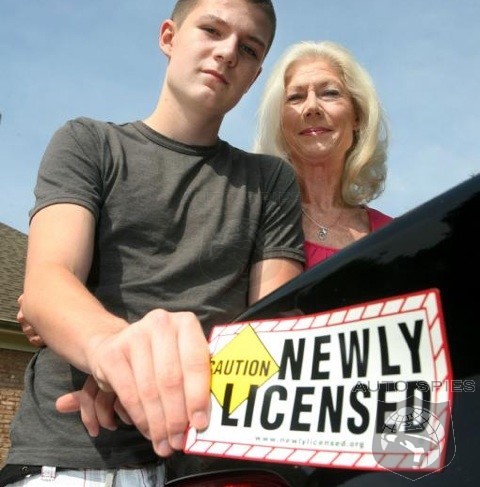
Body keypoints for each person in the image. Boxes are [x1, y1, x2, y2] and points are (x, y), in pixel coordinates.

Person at [0, 1, 305, 486]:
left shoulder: (271, 182)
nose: (228, 52)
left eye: (249, 49)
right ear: (168, 37)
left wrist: (150, 386)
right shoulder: (88, 143)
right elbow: (48, 281)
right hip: (74, 457)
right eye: (212, 30)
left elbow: (269, 333)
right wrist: (112, 352)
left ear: (254, 76)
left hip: (209, 463)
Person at [253, 40, 392, 269]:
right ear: (279, 121)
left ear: (357, 116)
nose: (312, 108)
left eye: (329, 93)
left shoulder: (394, 235)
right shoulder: (249, 222)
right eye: (295, 97)